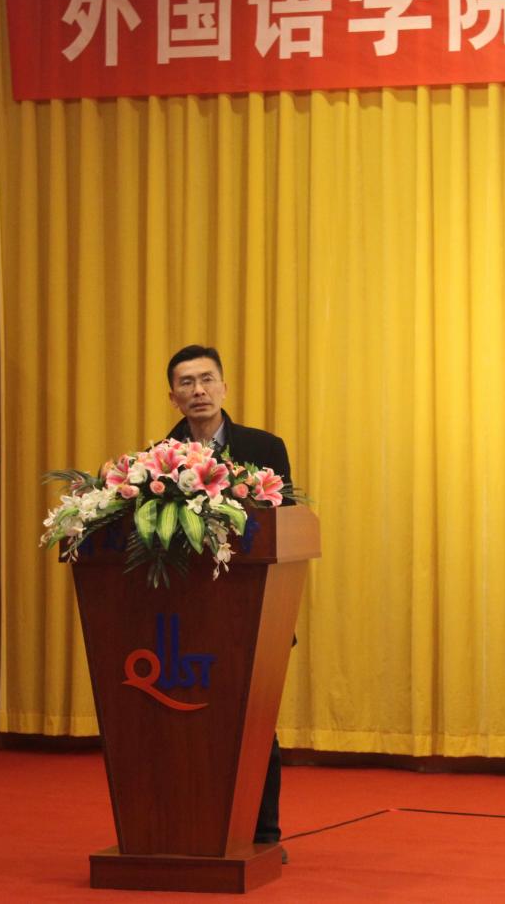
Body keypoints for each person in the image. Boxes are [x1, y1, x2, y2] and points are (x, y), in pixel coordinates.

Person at [165, 344, 291, 860]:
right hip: (189, 615)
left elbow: (285, 519)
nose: (198, 390)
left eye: (206, 379)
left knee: (255, 723)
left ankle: (263, 834)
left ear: (223, 387)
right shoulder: (157, 458)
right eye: (186, 383)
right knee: (191, 725)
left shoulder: (264, 447)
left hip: (253, 606)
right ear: (173, 396)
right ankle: (193, 828)